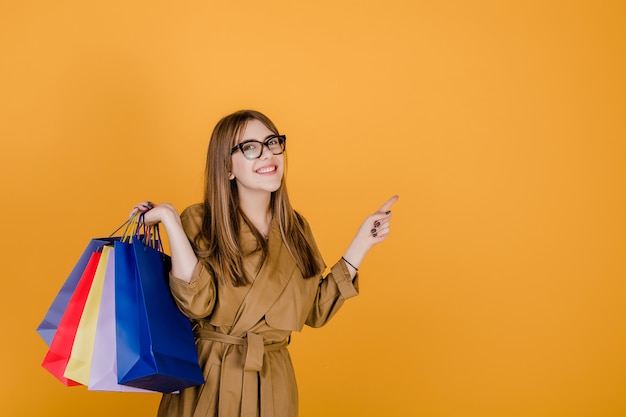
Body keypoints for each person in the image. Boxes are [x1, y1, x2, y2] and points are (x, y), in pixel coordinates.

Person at [132, 109, 398, 417]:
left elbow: (316, 310)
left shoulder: (296, 229)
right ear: (227, 168)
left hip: (273, 381)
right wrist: (169, 219)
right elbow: (196, 303)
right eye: (250, 147)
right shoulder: (199, 220)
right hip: (209, 377)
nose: (267, 154)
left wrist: (362, 242)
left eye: (272, 143)